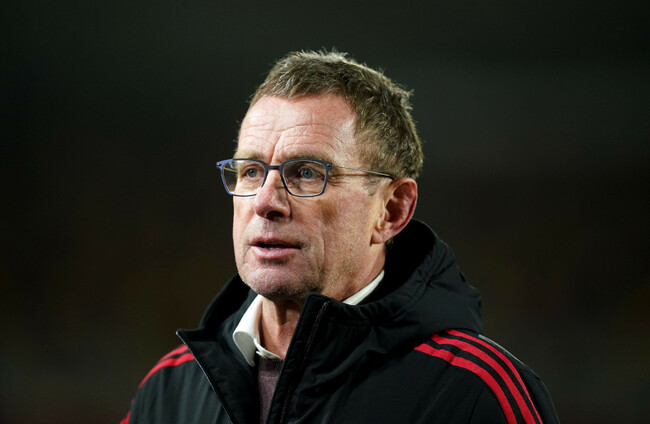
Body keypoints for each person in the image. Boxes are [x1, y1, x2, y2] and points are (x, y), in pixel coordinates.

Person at [121, 50, 559, 424]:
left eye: (307, 173)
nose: (265, 201)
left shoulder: (475, 394)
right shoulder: (170, 389)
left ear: (391, 210)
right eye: (251, 171)